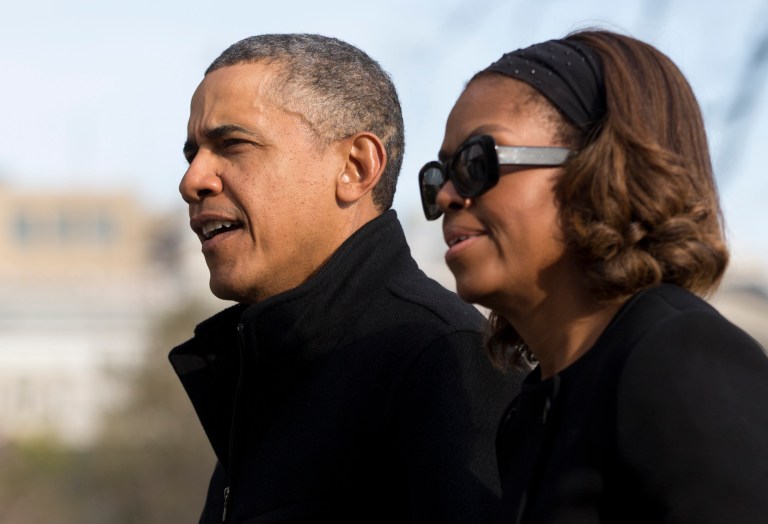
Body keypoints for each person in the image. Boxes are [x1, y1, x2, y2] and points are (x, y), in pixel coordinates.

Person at [169, 33, 521, 523]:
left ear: (356, 167)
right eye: (193, 154)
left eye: (233, 145)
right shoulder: (261, 373)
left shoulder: (444, 359)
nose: (193, 180)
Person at [419, 29, 768, 523]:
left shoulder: (678, 357)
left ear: (599, 169)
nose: (449, 196)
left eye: (478, 161)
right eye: (439, 175)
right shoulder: (530, 414)